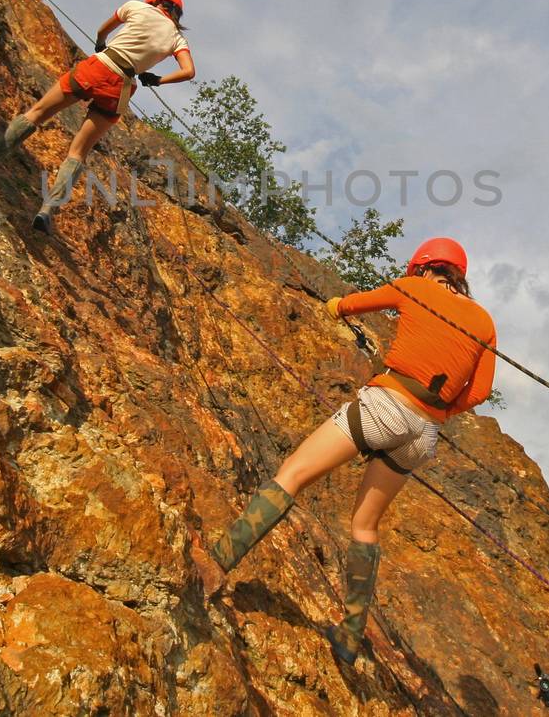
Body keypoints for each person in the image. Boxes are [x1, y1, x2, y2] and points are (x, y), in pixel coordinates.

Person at [207, 237, 497, 665]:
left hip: (386, 407)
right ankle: (349, 636)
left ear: (423, 267)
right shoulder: (484, 321)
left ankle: (217, 562)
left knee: (293, 473)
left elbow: (352, 305)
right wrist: (440, 410)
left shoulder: (413, 288)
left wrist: (332, 308)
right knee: (364, 525)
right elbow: (481, 392)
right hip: (425, 434)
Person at [0, 0, 195, 230]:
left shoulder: (136, 6)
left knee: (38, 113)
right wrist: (157, 79)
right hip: (122, 87)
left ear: (155, 1)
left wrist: (100, 44)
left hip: (99, 65)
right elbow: (188, 71)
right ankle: (47, 210)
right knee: (78, 152)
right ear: (176, 14)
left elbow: (102, 30)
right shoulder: (177, 38)